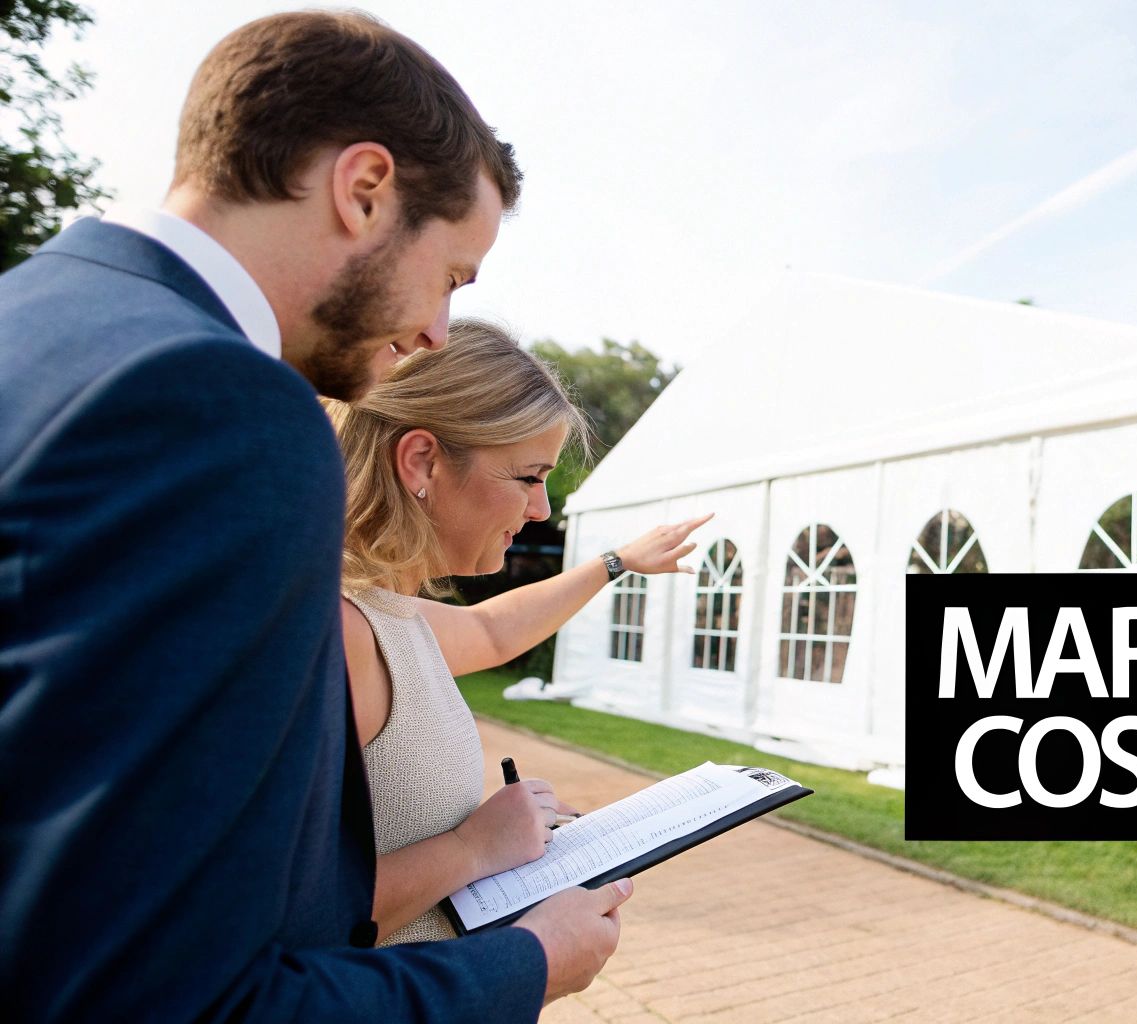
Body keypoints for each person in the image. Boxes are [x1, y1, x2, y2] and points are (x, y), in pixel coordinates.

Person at [0, 12, 626, 1021]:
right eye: (452, 276)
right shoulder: (216, 404)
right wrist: (524, 965)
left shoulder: (39, 322)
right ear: (364, 189)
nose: (434, 329)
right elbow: (161, 993)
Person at [324, 319, 710, 944]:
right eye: (529, 477)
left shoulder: (390, 619)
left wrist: (615, 563)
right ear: (422, 461)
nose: (542, 510)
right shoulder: (341, 638)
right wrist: (473, 849)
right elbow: (275, 923)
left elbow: (494, 630)